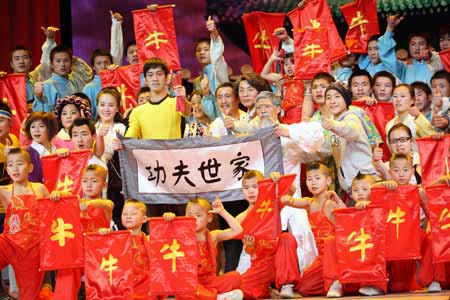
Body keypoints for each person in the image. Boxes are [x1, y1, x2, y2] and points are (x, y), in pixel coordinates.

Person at [281, 162, 345, 297]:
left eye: (317, 178)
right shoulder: (309, 203)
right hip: (322, 258)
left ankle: (337, 280)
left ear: (328, 180)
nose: (313, 183)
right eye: (309, 179)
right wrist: (287, 193)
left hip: (336, 255)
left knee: (330, 241)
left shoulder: (330, 203)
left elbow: (346, 227)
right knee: (304, 288)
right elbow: (290, 201)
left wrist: (339, 202)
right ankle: (337, 282)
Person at [372, 153, 433, 293]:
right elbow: (370, 192)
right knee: (376, 243)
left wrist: (434, 228)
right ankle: (377, 283)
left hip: (413, 235)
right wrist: (383, 184)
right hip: (390, 236)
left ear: (412, 170)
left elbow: (431, 214)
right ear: (389, 172)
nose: (401, 174)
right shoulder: (384, 189)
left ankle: (430, 280)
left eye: (405, 170)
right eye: (396, 170)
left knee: (430, 240)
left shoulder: (418, 191)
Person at [0, 148, 56, 299]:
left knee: (30, 295)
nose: (15, 168)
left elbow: (55, 211)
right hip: (9, 243)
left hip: (32, 248)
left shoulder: (39, 188)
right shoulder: (4, 190)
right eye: (10, 165)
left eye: (19, 164)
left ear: (30, 167)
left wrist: (58, 194)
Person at [163, 198, 243, 300]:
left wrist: (222, 212)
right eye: (190, 215)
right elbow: (161, 238)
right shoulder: (180, 237)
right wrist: (168, 221)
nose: (194, 219)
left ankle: (208, 296)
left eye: (199, 215)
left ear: (209, 217)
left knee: (235, 277)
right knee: (182, 285)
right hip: (191, 282)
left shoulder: (214, 236)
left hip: (210, 282)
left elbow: (238, 230)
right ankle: (218, 297)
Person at [53, 164, 113, 300]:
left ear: (104, 184)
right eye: (85, 181)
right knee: (68, 268)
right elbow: (66, 196)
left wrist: (90, 204)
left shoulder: (106, 204)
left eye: (94, 181)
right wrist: (58, 193)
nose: (89, 185)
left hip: (98, 253)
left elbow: (106, 205)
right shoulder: (76, 202)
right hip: (79, 253)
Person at [322, 83, 377, 193]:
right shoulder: (334, 123)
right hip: (351, 187)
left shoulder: (352, 118)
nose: (332, 101)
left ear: (346, 99)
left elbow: (351, 131)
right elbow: (323, 149)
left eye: (337, 96)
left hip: (366, 184)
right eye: (328, 98)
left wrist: (334, 126)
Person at [125, 58, 191, 139]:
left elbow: (186, 112)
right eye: (150, 75)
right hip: (149, 151)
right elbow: (129, 139)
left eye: (159, 74)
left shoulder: (175, 102)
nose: (155, 79)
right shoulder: (137, 111)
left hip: (172, 151)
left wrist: (182, 98)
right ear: (145, 80)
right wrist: (120, 143)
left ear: (167, 78)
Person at [378, 15, 443, 84]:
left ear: (428, 47)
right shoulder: (404, 68)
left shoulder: (436, 62)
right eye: (413, 44)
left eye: (421, 44)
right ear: (408, 47)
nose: (417, 48)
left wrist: (430, 57)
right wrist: (390, 28)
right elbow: (385, 55)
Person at [33, 45, 88, 112]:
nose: (62, 64)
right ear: (51, 64)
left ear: (71, 63)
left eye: (66, 60)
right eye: (58, 61)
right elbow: (41, 112)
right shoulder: (47, 85)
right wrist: (39, 97)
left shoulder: (73, 82)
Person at [385, 84, 435, 152]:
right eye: (395, 96)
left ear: (412, 100)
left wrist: (419, 117)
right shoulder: (389, 125)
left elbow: (432, 140)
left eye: (403, 96)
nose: (398, 100)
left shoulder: (418, 120)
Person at [23, 112, 59, 182]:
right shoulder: (27, 153)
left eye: (41, 126)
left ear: (49, 129)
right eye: (33, 126)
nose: (36, 130)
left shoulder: (57, 149)